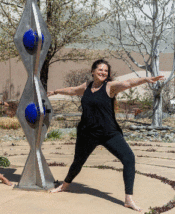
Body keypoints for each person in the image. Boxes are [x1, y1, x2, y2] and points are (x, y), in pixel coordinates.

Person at [47, 59, 164, 212]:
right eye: (100, 70)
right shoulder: (86, 86)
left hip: (109, 133)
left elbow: (129, 83)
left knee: (129, 158)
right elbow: (73, 90)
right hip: (87, 133)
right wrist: (56, 92)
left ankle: (129, 198)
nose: (103, 73)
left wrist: (145, 80)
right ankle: (65, 185)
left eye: (106, 71)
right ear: (93, 71)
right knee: (78, 162)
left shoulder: (110, 86)